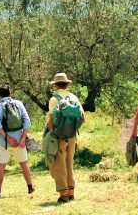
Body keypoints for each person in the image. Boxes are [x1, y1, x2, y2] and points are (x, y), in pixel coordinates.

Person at [47, 73, 84, 203]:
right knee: (69, 162)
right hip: (72, 135)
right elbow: (82, 118)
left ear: (55, 85)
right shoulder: (74, 97)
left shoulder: (54, 99)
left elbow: (51, 121)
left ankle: (63, 195)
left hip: (59, 136)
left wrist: (52, 133)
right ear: (67, 84)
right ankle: (71, 192)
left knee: (59, 164)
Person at [0, 84, 35, 197]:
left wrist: (8, 139)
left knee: (1, 165)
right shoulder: (19, 103)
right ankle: (30, 187)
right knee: (24, 163)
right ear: (10, 93)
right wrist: (23, 138)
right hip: (19, 139)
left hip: (4, 142)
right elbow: (27, 121)